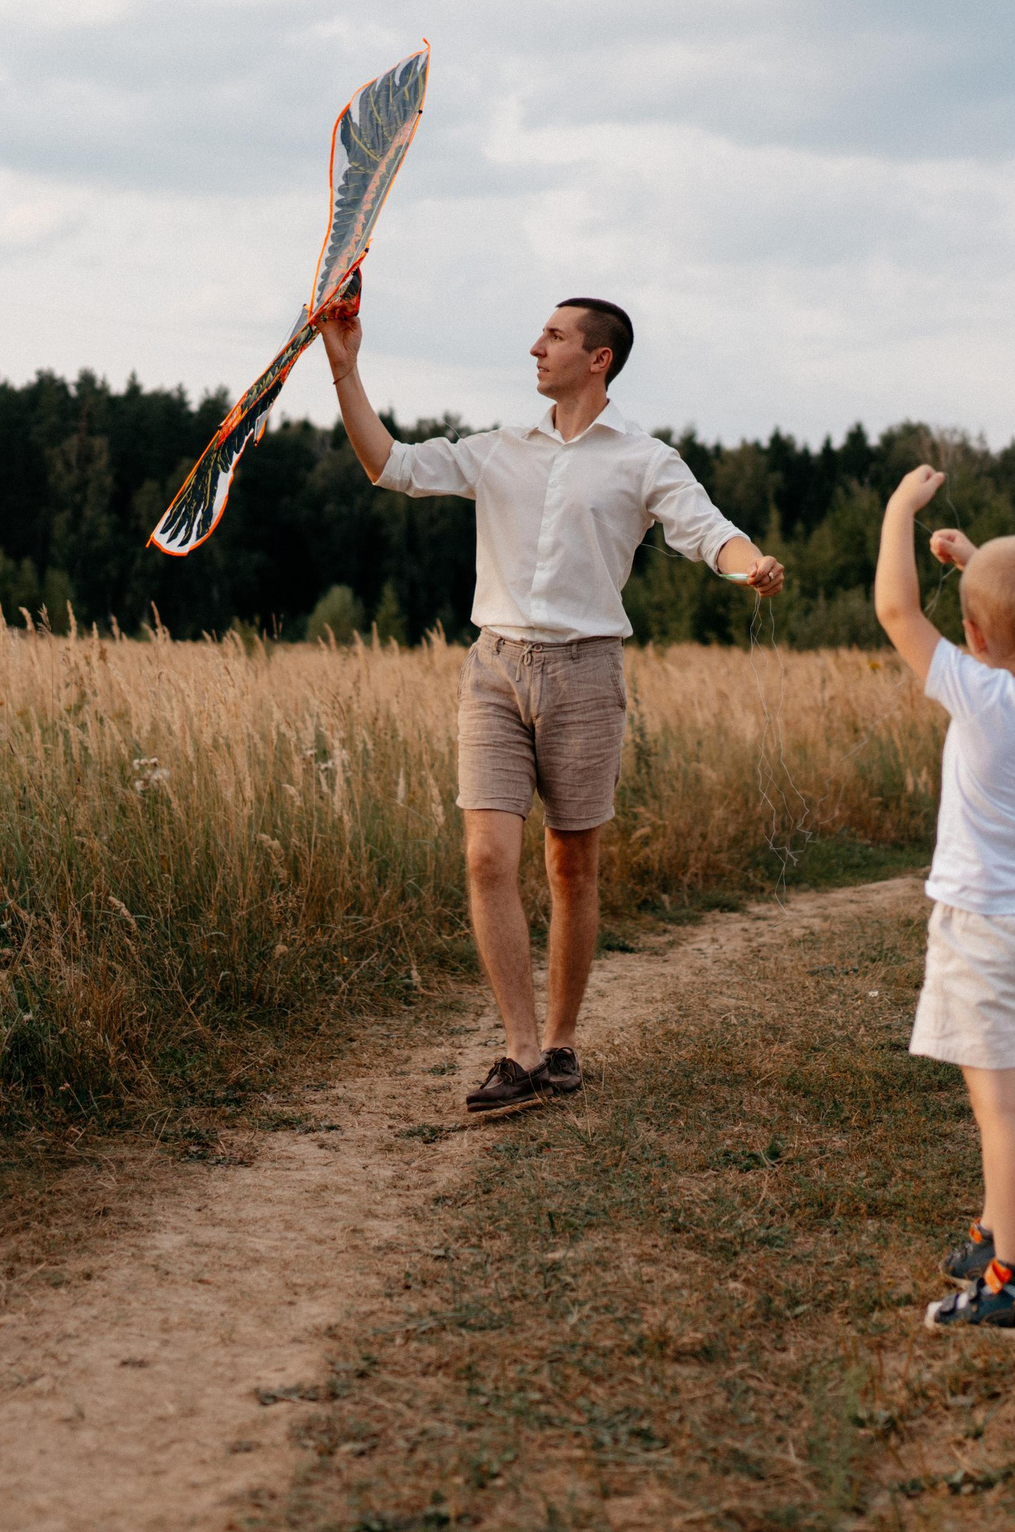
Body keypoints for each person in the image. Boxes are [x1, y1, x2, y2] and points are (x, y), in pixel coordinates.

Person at [319, 295, 784, 1118]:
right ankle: (520, 1050)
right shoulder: (498, 450)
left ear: (598, 358)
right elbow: (387, 463)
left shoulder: (644, 459)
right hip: (494, 669)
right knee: (486, 857)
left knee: (572, 865)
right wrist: (346, 368)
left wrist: (751, 567)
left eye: (556, 336)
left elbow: (712, 533)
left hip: (585, 672)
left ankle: (563, 1045)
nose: (536, 347)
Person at [871, 465, 1015, 1337]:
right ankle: (1000, 1229)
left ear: (972, 636)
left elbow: (897, 612)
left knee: (998, 1105)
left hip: (985, 930)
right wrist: (975, 563)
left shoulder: (984, 695)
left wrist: (898, 512)